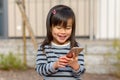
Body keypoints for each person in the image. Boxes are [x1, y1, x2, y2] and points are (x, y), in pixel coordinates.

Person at [35, 4, 85, 80]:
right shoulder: (44, 48)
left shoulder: (76, 47)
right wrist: (54, 65)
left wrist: (75, 66)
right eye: (59, 28)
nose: (63, 32)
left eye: (68, 28)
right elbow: (39, 70)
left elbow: (80, 74)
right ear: (50, 28)